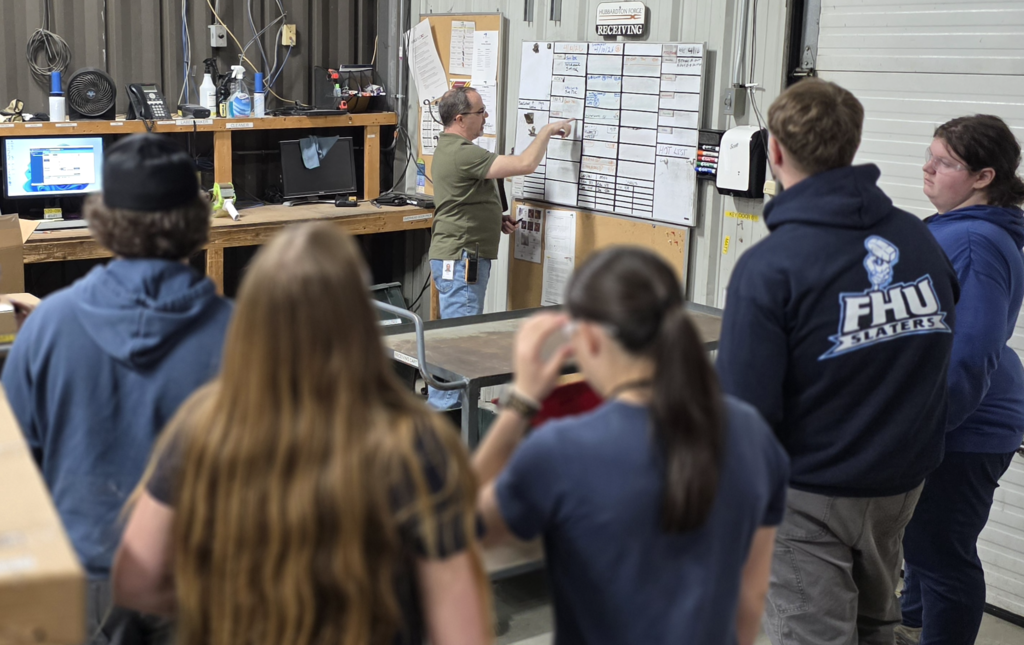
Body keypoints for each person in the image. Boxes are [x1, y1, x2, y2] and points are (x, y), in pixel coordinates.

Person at [112, 223, 492, 645]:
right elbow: (464, 634)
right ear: (361, 324)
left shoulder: (204, 428)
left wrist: (213, 609)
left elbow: (136, 582)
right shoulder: (413, 444)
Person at [715, 78, 960, 645]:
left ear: (775, 151)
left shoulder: (772, 266)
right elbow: (939, 340)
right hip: (899, 481)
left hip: (809, 491)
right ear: (852, 143)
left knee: (811, 633)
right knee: (876, 624)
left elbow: (745, 411)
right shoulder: (917, 238)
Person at [474, 246, 791, 645]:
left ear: (590, 338)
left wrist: (520, 401)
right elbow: (752, 594)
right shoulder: (752, 433)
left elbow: (456, 530)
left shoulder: (561, 451)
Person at [1, 134, 232, 645]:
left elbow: (14, 471)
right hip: (202, 588)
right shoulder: (245, 338)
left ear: (104, 221)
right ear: (198, 222)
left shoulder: (47, 327)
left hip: (79, 586)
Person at [896, 115, 1024, 645]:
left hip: (964, 427)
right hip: (953, 418)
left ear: (983, 177)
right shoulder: (960, 228)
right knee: (922, 547)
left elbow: (970, 354)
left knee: (942, 556)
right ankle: (911, 624)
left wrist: (923, 431)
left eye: (944, 162)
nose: (927, 168)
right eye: (930, 155)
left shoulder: (974, 240)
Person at [427, 86, 572, 410]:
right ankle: (443, 422)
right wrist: (546, 131)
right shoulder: (463, 152)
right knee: (459, 348)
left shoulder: (449, 147)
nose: (486, 117)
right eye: (480, 112)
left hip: (458, 257)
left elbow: (464, 199)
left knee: (455, 342)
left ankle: (445, 416)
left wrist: (495, 218)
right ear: (460, 119)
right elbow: (525, 164)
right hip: (462, 260)